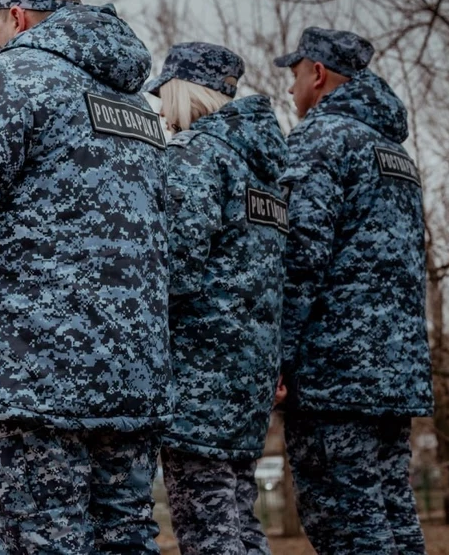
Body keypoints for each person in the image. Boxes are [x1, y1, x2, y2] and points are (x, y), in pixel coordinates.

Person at [0, 0, 173, 554]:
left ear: (15, 16)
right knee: (124, 540)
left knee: (39, 541)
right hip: (131, 372)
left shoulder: (12, 75)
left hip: (38, 372)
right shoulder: (138, 107)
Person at [274, 27, 434, 554]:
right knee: (392, 514)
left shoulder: (322, 139)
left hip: (334, 375)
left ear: (318, 74)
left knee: (348, 525)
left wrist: (277, 357)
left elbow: (300, 257)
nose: (292, 88)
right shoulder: (393, 153)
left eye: (295, 74)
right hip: (394, 370)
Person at [143, 43, 288, 555]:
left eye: (165, 95)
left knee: (207, 527)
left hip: (198, 374)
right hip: (250, 372)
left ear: (186, 93)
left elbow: (175, 268)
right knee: (238, 519)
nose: (161, 110)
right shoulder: (265, 170)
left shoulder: (195, 156)